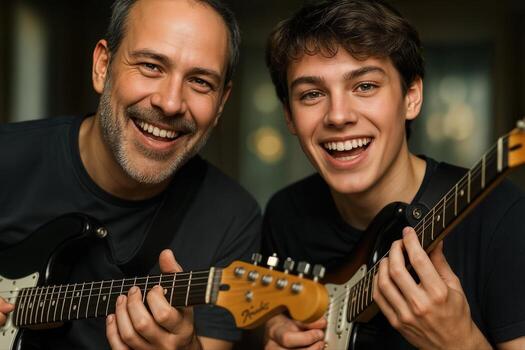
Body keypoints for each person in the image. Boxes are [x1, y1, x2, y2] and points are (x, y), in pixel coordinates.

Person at [262, 0, 525, 349]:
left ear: (411, 97)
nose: (338, 116)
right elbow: (274, 319)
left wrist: (460, 342)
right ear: (290, 118)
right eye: (312, 94)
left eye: (365, 86)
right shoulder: (286, 215)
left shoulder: (501, 214)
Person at [0, 0, 261, 349]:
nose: (170, 103)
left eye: (200, 81)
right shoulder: (7, 158)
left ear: (220, 105)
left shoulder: (232, 217)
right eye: (151, 66)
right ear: (102, 66)